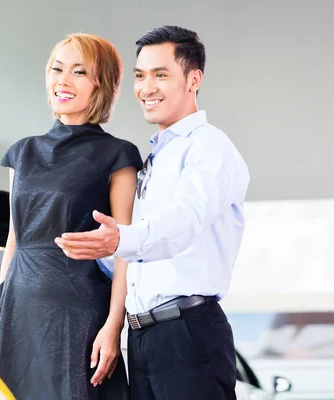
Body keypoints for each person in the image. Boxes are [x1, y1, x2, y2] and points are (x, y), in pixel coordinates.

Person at [55, 25, 250, 400]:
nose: (147, 87)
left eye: (161, 75)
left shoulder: (207, 147)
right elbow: (130, 257)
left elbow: (183, 222)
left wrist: (120, 239)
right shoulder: (156, 157)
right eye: (141, 76)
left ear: (194, 79)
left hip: (187, 334)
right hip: (142, 338)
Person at [0, 33, 143, 399]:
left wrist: (113, 326)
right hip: (19, 310)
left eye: (79, 72)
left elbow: (126, 251)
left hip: (78, 311)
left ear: (101, 84)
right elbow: (14, 240)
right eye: (57, 69)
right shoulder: (22, 152)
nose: (63, 80)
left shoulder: (118, 155)